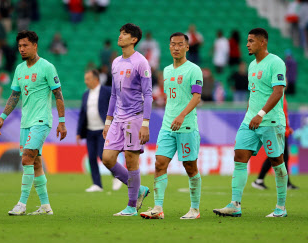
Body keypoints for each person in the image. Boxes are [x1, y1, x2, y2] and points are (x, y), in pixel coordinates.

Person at [213, 28, 288, 218]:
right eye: (247, 40)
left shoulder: (276, 62)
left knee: (277, 162)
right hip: (251, 120)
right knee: (239, 156)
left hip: (270, 121)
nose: (247, 44)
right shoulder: (252, 65)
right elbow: (253, 93)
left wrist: (261, 114)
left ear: (263, 42)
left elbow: (278, 92)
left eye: (251, 41)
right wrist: (250, 114)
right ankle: (235, 204)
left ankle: (280, 208)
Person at [0, 30, 67, 216]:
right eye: (19, 46)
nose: (22, 49)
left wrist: (62, 122)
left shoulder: (47, 67)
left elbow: (58, 95)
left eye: (25, 45)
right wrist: (2, 117)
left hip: (41, 120)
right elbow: (14, 96)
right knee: (35, 163)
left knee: (26, 158)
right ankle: (45, 207)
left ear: (35, 45)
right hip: (26, 122)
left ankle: (22, 204)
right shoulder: (19, 69)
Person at [140, 32, 203, 220]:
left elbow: (197, 97)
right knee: (159, 163)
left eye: (180, 44)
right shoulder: (166, 71)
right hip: (168, 126)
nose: (176, 47)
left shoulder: (194, 70)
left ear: (187, 47)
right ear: (169, 47)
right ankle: (158, 208)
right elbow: (171, 98)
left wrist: (182, 115)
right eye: (173, 44)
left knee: (190, 167)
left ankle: (194, 209)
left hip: (187, 126)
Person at [101, 23, 152, 216]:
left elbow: (148, 94)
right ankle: (138, 189)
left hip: (135, 117)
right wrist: (108, 121)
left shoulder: (141, 62)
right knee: (107, 158)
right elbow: (113, 94)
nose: (120, 36)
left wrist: (145, 123)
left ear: (134, 39)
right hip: (118, 118)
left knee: (131, 161)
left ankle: (131, 206)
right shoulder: (115, 62)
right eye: (120, 33)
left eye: (124, 34)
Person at [76, 69, 122, 192]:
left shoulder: (106, 91)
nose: (86, 82)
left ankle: (117, 176)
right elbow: (82, 114)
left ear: (96, 79)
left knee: (104, 157)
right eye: (85, 79)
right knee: (91, 157)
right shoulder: (85, 94)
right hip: (90, 131)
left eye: (88, 79)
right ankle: (97, 184)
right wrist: (79, 133)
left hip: (104, 130)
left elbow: (115, 107)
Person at [252, 95, 299, 190]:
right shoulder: (276, 95)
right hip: (278, 130)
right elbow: (275, 113)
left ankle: (260, 180)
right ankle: (283, 183)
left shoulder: (282, 95)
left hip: (282, 130)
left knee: (278, 156)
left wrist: (287, 128)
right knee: (279, 156)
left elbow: (283, 114)